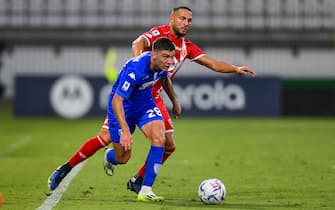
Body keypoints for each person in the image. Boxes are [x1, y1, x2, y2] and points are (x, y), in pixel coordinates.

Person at [124, 6, 256, 193]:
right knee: (114, 143)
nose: (186, 23)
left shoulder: (186, 47)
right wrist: (140, 64)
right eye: (182, 19)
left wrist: (235, 68)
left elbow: (214, 64)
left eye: (189, 21)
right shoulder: (158, 34)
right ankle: (118, 162)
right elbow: (137, 43)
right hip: (139, 96)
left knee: (169, 146)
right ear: (172, 18)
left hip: (155, 97)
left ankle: (138, 180)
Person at [48, 37, 181, 202]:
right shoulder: (136, 69)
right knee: (122, 157)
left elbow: (164, 78)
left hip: (144, 105)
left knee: (159, 138)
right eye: (166, 57)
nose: (170, 61)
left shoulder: (163, 65)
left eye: (171, 56)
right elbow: (117, 100)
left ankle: (145, 189)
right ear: (153, 54)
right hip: (121, 106)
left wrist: (174, 101)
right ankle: (67, 167)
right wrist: (125, 131)